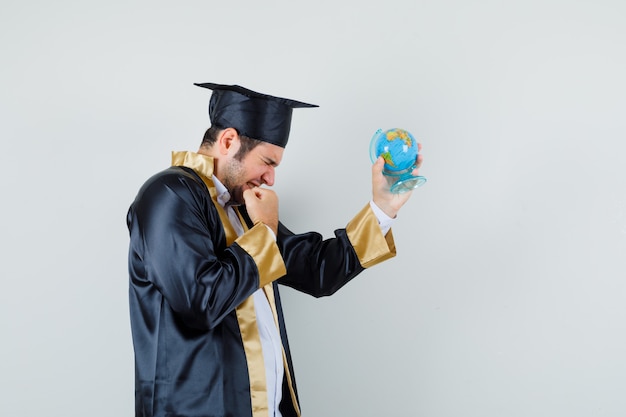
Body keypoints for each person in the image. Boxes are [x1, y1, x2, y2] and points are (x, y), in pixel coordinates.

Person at [127, 82, 423, 417]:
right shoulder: (169, 195)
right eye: (267, 162)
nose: (270, 179)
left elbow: (317, 270)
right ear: (228, 142)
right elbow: (201, 302)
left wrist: (383, 207)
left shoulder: (244, 208)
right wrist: (265, 231)